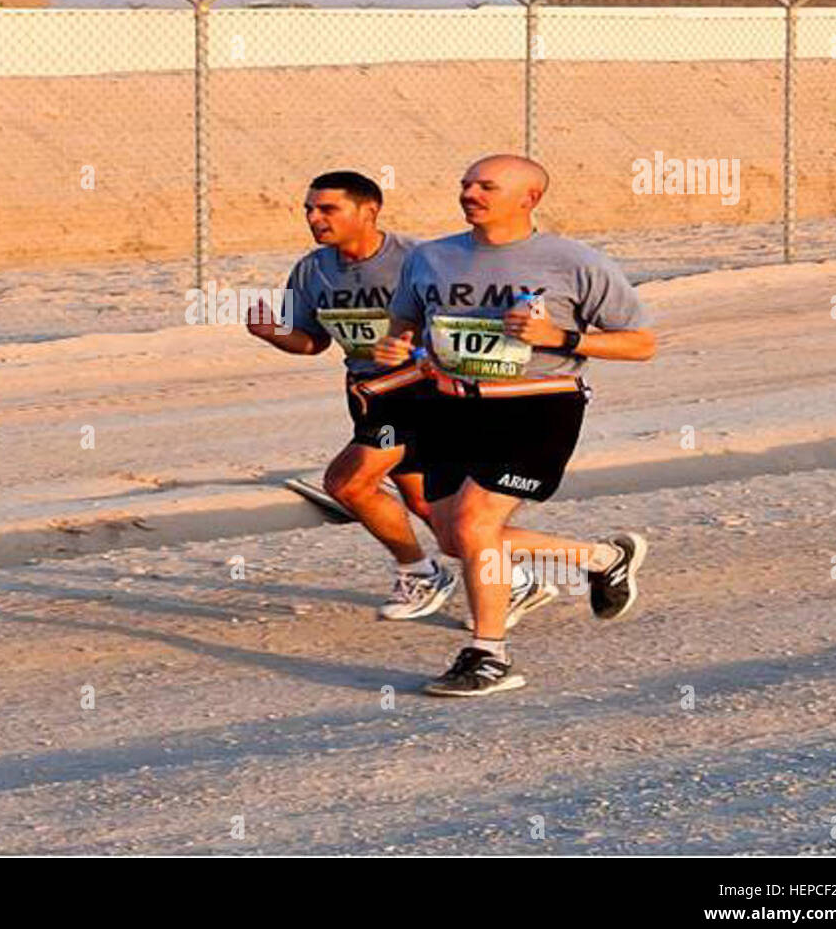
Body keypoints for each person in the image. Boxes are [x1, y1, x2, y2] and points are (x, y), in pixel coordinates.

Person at [372, 153, 656, 696]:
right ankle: (602, 558)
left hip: (536, 406)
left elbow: (641, 343)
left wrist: (562, 339)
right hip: (450, 407)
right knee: (458, 538)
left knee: (477, 524)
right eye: (466, 184)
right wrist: (399, 347)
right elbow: (407, 322)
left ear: (530, 198)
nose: (470, 194)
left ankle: (488, 656)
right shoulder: (432, 257)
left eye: (486, 186)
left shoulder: (574, 262)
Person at [247, 169, 553, 624]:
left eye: (327, 208)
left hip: (421, 394)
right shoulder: (311, 270)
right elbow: (312, 342)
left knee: (347, 483)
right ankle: (512, 577)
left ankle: (421, 571)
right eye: (309, 209)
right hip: (368, 394)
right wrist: (273, 333)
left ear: (368, 211)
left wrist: (421, 352)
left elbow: (463, 327)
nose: (314, 218)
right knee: (426, 501)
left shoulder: (419, 259)